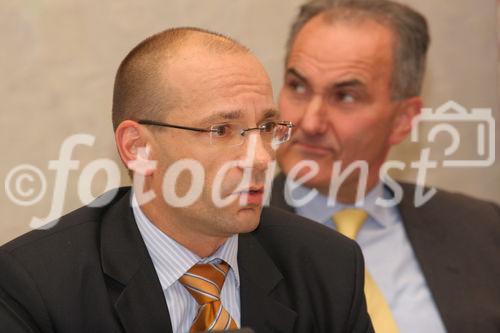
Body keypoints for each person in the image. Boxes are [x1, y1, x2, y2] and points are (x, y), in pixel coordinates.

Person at [0, 28, 373, 333]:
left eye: (267, 127)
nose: (260, 157)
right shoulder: (34, 285)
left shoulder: (328, 267)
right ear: (138, 147)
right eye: (222, 130)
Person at [270, 1, 500, 332]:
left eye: (345, 96)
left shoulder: (480, 228)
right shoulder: (235, 237)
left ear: (403, 120)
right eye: (298, 87)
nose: (310, 121)